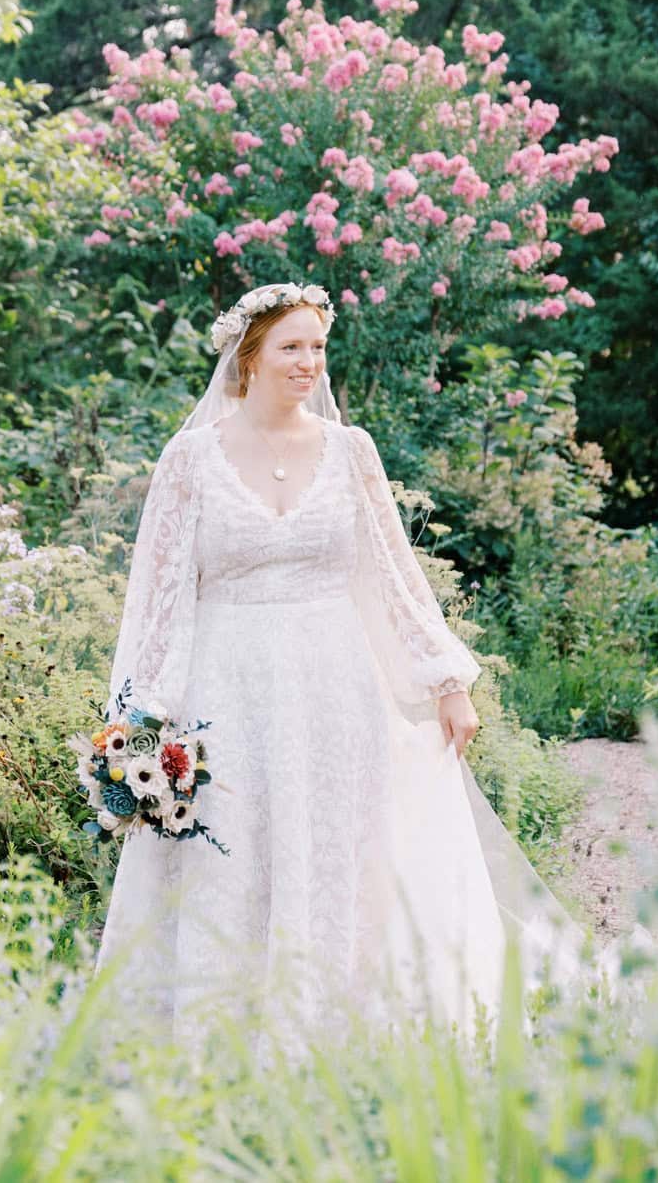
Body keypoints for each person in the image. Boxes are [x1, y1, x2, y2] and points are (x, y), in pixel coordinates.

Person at [93, 281, 588, 1047]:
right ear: (249, 356)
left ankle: (334, 1031)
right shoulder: (191, 459)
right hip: (228, 691)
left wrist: (446, 683)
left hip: (335, 686)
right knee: (235, 857)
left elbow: (393, 572)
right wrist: (141, 722)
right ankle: (222, 1033)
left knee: (336, 855)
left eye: (318, 347)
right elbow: (160, 597)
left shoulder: (351, 451)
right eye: (291, 346)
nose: (308, 362)